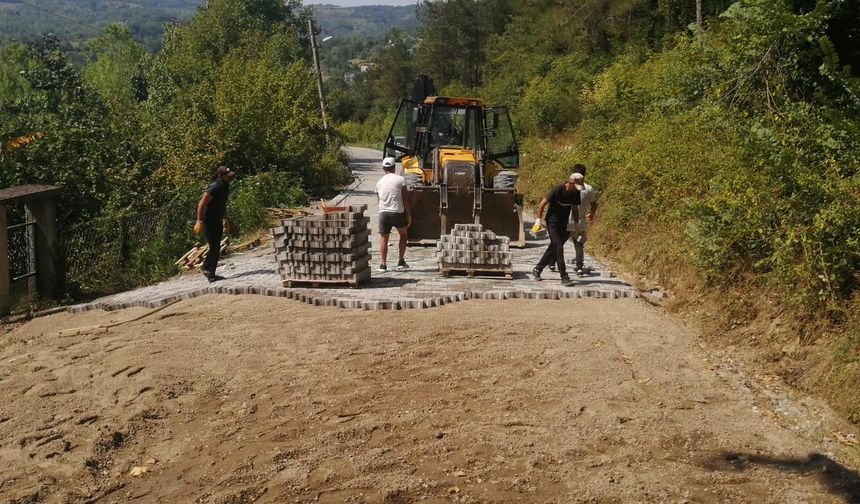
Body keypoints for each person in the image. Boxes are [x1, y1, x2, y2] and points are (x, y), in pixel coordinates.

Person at [532, 172, 581, 284]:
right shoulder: (558, 189)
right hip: (552, 222)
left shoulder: (576, 192)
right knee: (559, 247)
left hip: (563, 224)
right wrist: (538, 221)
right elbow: (542, 204)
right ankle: (564, 277)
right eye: (576, 186)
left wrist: (577, 224)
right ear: (570, 183)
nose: (577, 189)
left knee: (554, 247)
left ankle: (537, 269)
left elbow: (575, 208)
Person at [193, 165, 235, 282]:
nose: (230, 177)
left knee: (215, 246)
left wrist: (225, 219)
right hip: (208, 220)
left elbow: (221, 205)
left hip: (217, 219)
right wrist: (199, 221)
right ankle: (211, 275)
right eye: (227, 176)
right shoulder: (215, 187)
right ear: (221, 176)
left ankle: (206, 266)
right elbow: (201, 204)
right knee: (215, 247)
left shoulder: (225, 186)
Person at [376, 157, 411, 272]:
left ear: (383, 168)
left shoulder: (378, 183)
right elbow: (405, 199)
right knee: (404, 235)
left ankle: (383, 265)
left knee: (384, 238)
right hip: (398, 213)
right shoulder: (401, 180)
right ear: (394, 167)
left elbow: (379, 201)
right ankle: (401, 261)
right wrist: (408, 215)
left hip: (383, 214)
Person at [568, 166, 598, 275]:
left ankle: (551, 263)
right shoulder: (589, 189)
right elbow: (594, 204)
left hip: (566, 220)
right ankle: (579, 267)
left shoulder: (567, 187)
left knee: (558, 243)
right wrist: (591, 214)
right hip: (580, 221)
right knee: (579, 244)